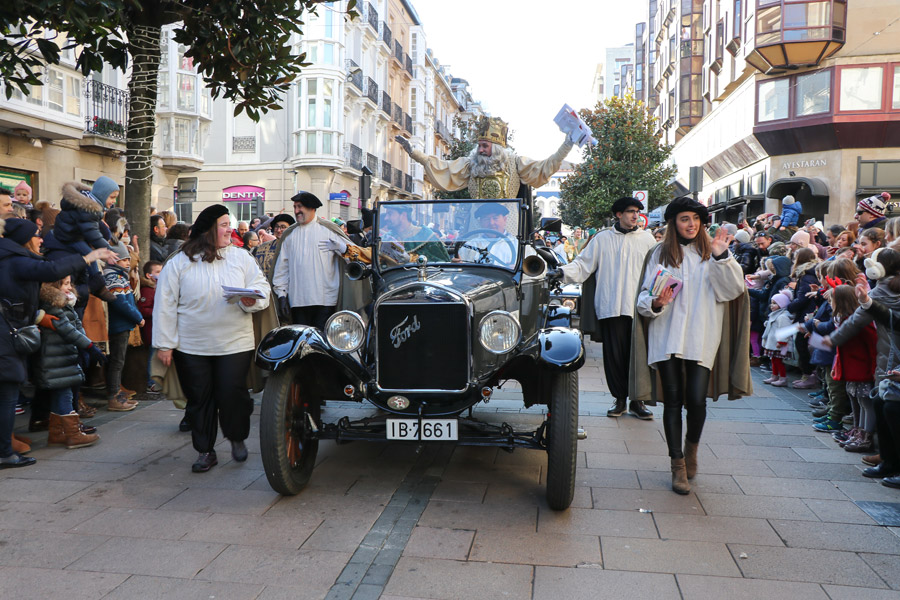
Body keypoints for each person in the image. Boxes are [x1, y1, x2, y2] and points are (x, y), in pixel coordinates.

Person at [630, 197, 749, 495]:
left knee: (696, 400)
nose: (691, 224)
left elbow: (732, 291)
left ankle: (691, 448)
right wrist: (655, 302)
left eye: (695, 219)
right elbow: (644, 299)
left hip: (701, 336)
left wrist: (723, 258)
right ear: (674, 223)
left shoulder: (714, 253)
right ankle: (677, 465)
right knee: (673, 401)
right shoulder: (659, 253)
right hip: (667, 335)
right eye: (685, 219)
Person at [154, 204, 271, 473]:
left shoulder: (241, 257)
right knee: (200, 399)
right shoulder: (180, 261)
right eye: (224, 224)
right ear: (208, 229)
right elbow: (165, 303)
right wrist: (165, 343)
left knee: (233, 393)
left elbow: (262, 287)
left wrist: (250, 297)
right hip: (192, 345)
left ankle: (237, 437)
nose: (230, 229)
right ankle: (205, 450)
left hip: (234, 342)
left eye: (230, 224)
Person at [0, 218, 116, 469]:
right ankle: (4, 451)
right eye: (37, 234)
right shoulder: (14, 259)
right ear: (24, 239)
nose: (41, 239)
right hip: (7, 337)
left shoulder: (11, 257)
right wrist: (88, 256)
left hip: (11, 333)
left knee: (10, 392)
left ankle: (6, 442)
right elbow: (51, 271)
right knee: (9, 394)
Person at [559, 197, 657, 419]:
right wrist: (562, 272)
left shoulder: (647, 239)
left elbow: (657, 270)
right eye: (631, 211)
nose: (635, 216)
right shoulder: (602, 239)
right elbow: (583, 264)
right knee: (614, 357)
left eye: (637, 212)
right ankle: (620, 399)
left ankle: (638, 401)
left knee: (638, 357)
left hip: (638, 309)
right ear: (618, 214)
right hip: (610, 307)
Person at [396, 116, 573, 200]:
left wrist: (566, 145)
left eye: (484, 146)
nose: (480, 150)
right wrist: (414, 152)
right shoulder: (470, 165)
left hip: (510, 232)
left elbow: (545, 166)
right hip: (476, 231)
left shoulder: (516, 163)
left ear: (495, 148)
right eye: (479, 145)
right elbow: (442, 167)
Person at [35, 276, 102, 448]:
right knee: (64, 394)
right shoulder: (54, 305)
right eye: (64, 284)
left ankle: (57, 433)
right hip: (56, 358)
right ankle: (73, 435)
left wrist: (86, 346)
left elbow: (77, 327)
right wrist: (89, 346)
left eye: (69, 283)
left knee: (61, 393)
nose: (68, 287)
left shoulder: (65, 304)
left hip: (63, 357)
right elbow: (68, 330)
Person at [272, 192, 350, 329]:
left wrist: (342, 248)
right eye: (295, 207)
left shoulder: (329, 230)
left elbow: (354, 255)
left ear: (312, 208)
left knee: (323, 344)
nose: (296, 211)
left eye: (300, 207)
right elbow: (282, 268)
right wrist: (282, 296)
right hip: (297, 301)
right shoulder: (290, 235)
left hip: (325, 300)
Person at [103, 238, 144, 411]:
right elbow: (121, 303)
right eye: (124, 259)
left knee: (117, 362)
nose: (128, 262)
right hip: (118, 326)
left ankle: (116, 395)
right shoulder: (113, 277)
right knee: (117, 362)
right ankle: (114, 397)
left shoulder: (119, 275)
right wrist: (138, 317)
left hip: (122, 325)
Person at [380, 203, 450, 263]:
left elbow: (441, 263)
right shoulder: (386, 237)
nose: (386, 218)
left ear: (403, 215)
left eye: (390, 214)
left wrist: (411, 259)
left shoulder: (425, 235)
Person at [138, 260, 163, 393]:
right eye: (158, 272)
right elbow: (143, 309)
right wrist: (158, 311)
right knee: (153, 356)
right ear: (149, 275)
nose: (161, 274)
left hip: (158, 329)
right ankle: (151, 382)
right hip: (151, 329)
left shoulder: (158, 288)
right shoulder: (147, 290)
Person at [252, 213, 295, 281]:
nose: (278, 230)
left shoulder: (296, 248)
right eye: (276, 226)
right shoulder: (262, 248)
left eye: (283, 227)